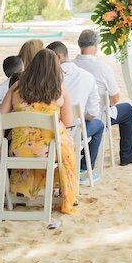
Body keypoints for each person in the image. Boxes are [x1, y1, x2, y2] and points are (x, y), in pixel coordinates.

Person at [0, 48, 77, 214]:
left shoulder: (16, 87)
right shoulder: (59, 90)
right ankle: (63, 192)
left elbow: (0, 117)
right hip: (47, 151)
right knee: (66, 145)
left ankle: (22, 191)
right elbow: (68, 122)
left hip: (18, 150)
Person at [74, 29, 132, 166]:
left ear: (80, 44)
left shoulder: (71, 65)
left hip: (73, 116)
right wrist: (107, 105)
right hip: (98, 116)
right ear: (96, 45)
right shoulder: (102, 67)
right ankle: (127, 156)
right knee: (128, 110)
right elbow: (115, 98)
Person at [46, 41, 103, 183]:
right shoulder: (87, 77)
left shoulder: (46, 78)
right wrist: (81, 117)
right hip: (74, 131)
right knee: (99, 125)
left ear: (58, 56)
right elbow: (93, 112)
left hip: (47, 131)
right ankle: (84, 168)